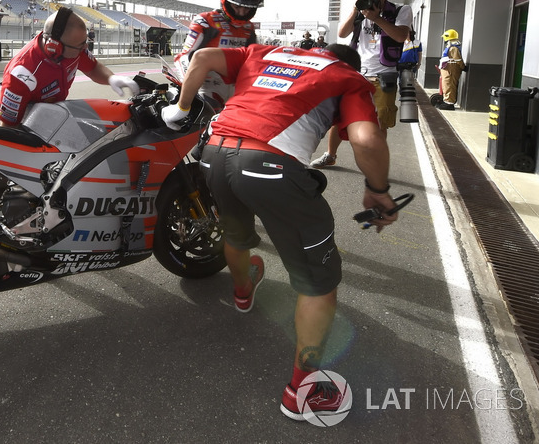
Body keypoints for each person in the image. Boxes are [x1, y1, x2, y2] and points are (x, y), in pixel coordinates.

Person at [161, 42, 397, 420]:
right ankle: (303, 393)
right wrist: (379, 190)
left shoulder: (265, 51)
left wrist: (181, 108)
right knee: (318, 281)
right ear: (349, 63)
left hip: (214, 151)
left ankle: (242, 292)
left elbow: (202, 57)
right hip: (269, 164)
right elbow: (368, 141)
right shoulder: (347, 77)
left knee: (236, 234)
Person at [312, 0, 411, 169]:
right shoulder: (361, 11)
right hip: (357, 72)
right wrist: (355, 10)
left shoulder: (400, 10)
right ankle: (330, 155)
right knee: (339, 115)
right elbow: (342, 33)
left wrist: (377, 19)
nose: (372, 1)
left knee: (380, 121)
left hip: (384, 74)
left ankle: (376, 164)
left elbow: (400, 36)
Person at [0, 7, 139, 126]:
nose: (85, 47)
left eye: (85, 42)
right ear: (54, 48)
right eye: (80, 45)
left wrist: (111, 78)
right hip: (28, 123)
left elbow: (93, 68)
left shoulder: (73, 49)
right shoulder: (21, 74)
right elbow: (8, 127)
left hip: (56, 112)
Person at [173, 0, 264, 109]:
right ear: (226, 0)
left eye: (247, 9)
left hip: (236, 90)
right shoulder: (205, 21)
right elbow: (183, 58)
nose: (242, 12)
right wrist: (191, 91)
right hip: (206, 88)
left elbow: (253, 62)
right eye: (238, 6)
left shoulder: (249, 28)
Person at [437, 29, 465, 110]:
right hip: (448, 69)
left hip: (451, 70)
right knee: (446, 85)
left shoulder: (453, 48)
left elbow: (457, 59)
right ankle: (447, 100)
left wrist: (463, 67)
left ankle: (449, 102)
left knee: (449, 85)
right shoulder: (451, 47)